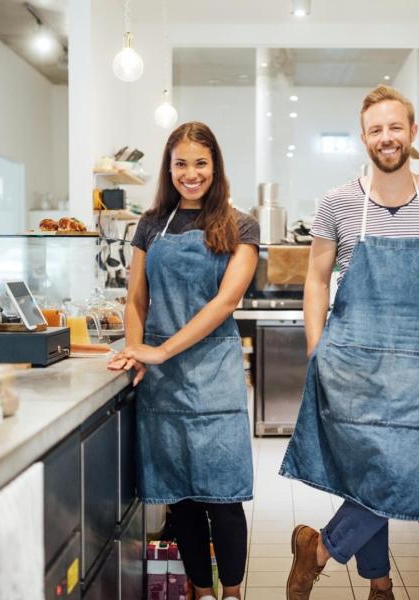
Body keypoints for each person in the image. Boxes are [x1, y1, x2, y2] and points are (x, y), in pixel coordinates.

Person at [279, 86, 419, 600]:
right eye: (376, 129)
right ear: (364, 138)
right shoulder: (337, 202)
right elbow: (315, 278)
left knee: (402, 471)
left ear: (413, 132)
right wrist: (316, 347)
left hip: (411, 364)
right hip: (349, 361)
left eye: (395, 127)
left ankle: (320, 547)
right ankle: (380, 586)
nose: (387, 137)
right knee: (369, 474)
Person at [108, 122, 259, 600]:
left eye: (200, 163)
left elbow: (225, 302)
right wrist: (135, 350)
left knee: (224, 498)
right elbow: (135, 297)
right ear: (168, 167)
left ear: (215, 167)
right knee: (184, 500)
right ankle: (201, 591)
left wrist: (160, 350)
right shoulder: (151, 224)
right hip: (162, 380)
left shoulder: (241, 226)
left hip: (214, 374)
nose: (190, 174)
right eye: (180, 163)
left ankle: (231, 593)